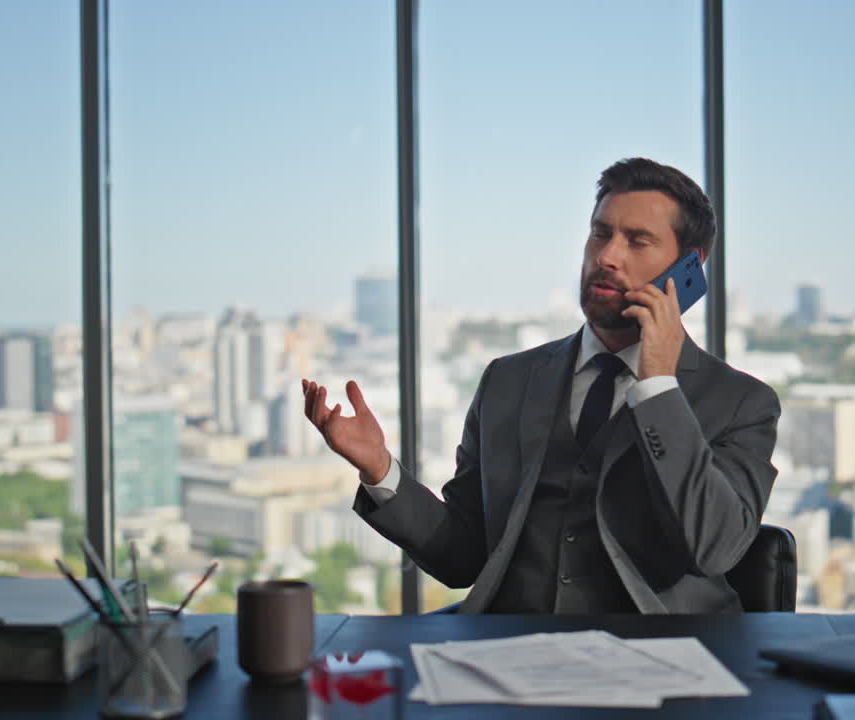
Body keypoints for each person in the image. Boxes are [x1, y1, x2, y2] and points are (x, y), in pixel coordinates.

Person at [302, 157, 779, 613]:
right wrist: (381, 471)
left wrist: (658, 387)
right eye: (600, 234)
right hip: (510, 646)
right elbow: (462, 556)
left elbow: (715, 547)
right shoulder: (507, 381)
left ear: (689, 267)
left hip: (663, 652)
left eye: (637, 241)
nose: (607, 257)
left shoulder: (740, 403)